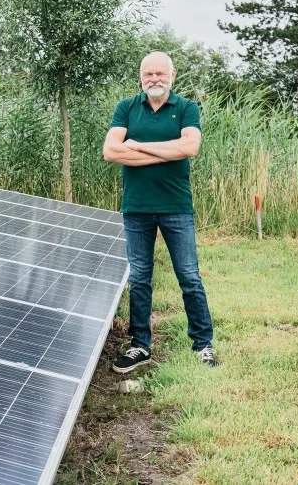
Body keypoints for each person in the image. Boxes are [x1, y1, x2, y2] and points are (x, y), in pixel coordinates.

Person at [102, 51, 217, 373]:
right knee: (140, 279)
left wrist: (137, 146)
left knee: (189, 277)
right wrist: (168, 152)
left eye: (159, 74)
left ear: (172, 75)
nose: (154, 79)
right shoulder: (126, 107)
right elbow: (111, 152)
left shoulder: (185, 108)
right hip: (136, 209)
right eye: (148, 74)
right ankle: (140, 345)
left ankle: (203, 344)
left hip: (176, 208)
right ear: (141, 77)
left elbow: (190, 148)